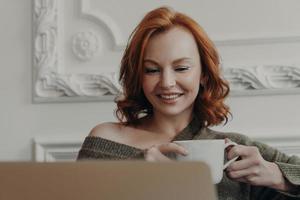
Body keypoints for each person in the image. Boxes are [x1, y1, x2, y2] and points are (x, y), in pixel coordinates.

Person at [77, 6, 300, 199]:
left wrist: (280, 177)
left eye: (181, 68)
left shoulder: (235, 151)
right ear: (139, 76)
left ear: (204, 74)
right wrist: (133, 177)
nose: (166, 82)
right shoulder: (105, 138)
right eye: (152, 70)